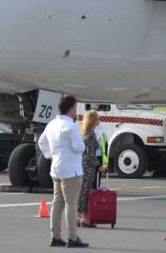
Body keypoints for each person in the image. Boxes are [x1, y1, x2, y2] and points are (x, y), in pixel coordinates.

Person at [37, 95, 88, 248]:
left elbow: (41, 142)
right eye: (76, 107)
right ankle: (73, 237)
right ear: (71, 108)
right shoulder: (71, 126)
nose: (76, 110)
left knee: (57, 203)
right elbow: (79, 147)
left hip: (56, 169)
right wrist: (82, 141)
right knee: (70, 205)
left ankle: (55, 236)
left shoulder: (51, 124)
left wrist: (50, 155)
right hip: (71, 170)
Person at [78, 110, 104, 227]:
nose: (99, 120)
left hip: (82, 165)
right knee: (87, 192)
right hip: (88, 167)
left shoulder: (85, 133)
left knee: (82, 192)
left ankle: (79, 217)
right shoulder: (91, 135)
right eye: (98, 118)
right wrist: (98, 165)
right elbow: (90, 154)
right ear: (93, 120)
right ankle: (84, 218)